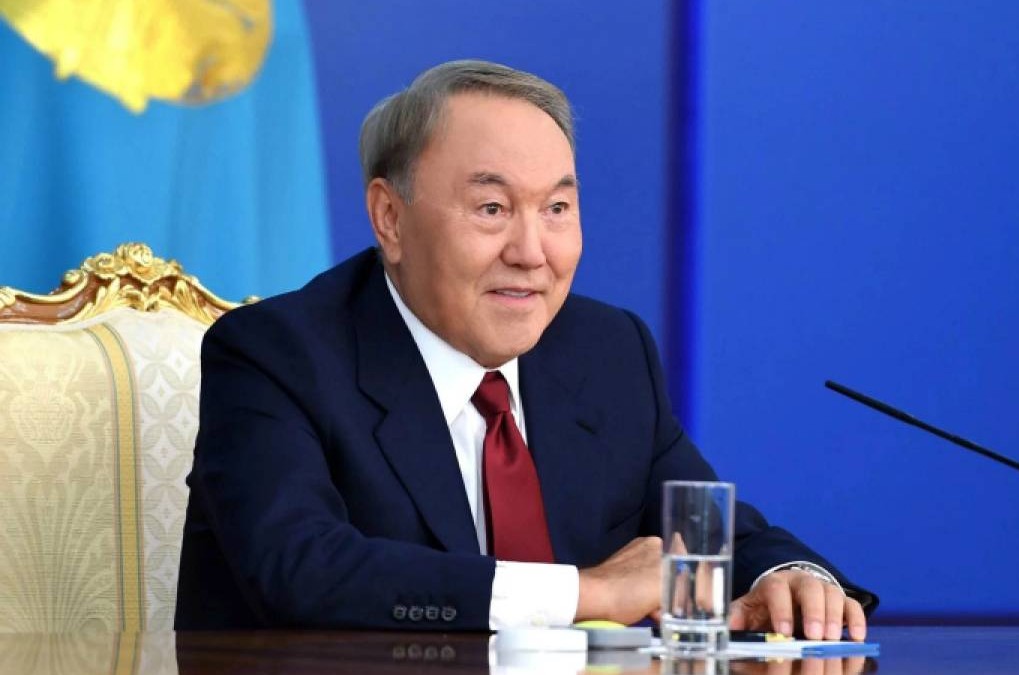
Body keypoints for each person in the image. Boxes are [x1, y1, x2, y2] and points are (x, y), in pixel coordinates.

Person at [175, 60, 877, 639]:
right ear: (390, 218)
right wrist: (586, 592)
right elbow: (301, 569)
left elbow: (705, 531)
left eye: (557, 209)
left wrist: (788, 577)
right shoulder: (277, 354)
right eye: (492, 209)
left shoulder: (607, 351)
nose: (532, 252)